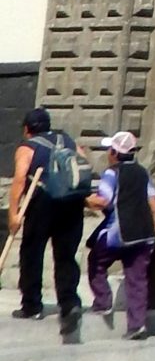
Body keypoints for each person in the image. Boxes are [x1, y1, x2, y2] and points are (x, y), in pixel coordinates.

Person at [9, 105, 88, 333]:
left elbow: (20, 179)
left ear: (27, 129)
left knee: (32, 251)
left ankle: (31, 305)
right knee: (65, 256)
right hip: (72, 203)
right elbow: (83, 167)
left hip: (42, 201)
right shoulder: (69, 142)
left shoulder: (28, 147)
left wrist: (14, 214)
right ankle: (69, 303)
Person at [86, 131, 155, 340]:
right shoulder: (142, 173)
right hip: (144, 235)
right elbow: (153, 203)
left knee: (96, 261)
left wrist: (83, 198)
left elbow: (104, 201)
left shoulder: (112, 174)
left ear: (114, 153)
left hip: (118, 234)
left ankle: (103, 301)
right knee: (137, 280)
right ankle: (137, 325)